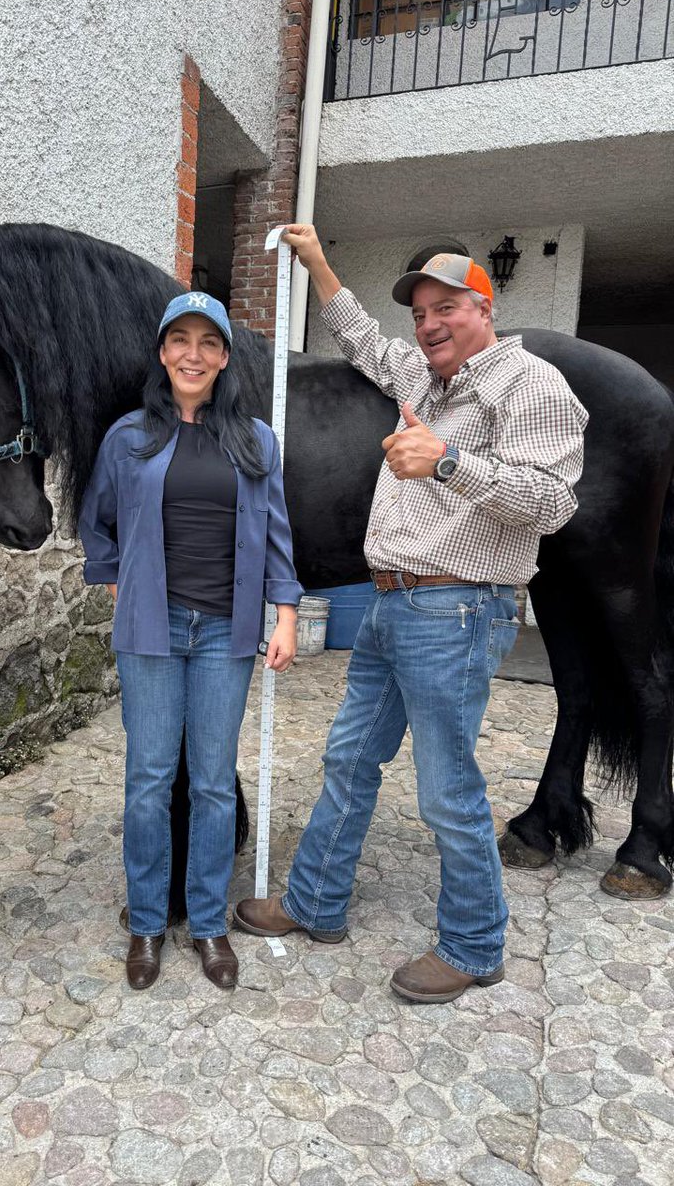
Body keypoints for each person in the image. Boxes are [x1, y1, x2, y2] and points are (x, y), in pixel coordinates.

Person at [234, 227, 588, 1003]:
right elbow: (360, 334)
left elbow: (554, 505)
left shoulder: (531, 385)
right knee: (350, 761)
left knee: (445, 787)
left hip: (458, 608)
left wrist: (451, 463)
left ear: (484, 308)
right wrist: (321, 261)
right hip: (390, 604)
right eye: (422, 312)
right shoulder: (423, 379)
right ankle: (315, 903)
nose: (429, 323)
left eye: (447, 308)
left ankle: (473, 943)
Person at [79, 291, 302, 991]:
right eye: (181, 340)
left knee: (211, 783)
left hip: (225, 632)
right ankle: (148, 921)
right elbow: (98, 521)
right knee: (149, 781)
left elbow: (275, 535)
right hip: (151, 629)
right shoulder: (128, 438)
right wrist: (118, 578)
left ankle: (206, 922)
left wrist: (286, 612)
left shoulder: (256, 440)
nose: (194, 355)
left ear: (226, 357)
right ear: (162, 352)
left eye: (209, 342)